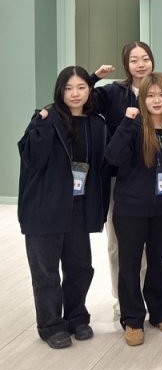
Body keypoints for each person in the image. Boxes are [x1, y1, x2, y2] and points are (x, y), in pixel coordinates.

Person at [17, 66, 111, 349]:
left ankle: (76, 316)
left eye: (81, 87)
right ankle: (50, 325)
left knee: (80, 267)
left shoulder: (96, 124)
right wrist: (41, 123)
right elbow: (31, 158)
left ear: (89, 90)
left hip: (78, 207)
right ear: (60, 91)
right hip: (44, 208)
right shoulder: (47, 119)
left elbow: (101, 167)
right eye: (68, 88)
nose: (75, 94)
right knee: (46, 271)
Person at [105, 72, 162, 346]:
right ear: (142, 99)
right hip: (131, 208)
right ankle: (132, 319)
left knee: (158, 261)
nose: (156, 100)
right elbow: (113, 157)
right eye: (151, 95)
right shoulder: (133, 126)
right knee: (130, 264)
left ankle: (160, 312)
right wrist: (126, 123)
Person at [91, 41, 156, 315]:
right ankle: (122, 297)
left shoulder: (161, 88)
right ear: (126, 64)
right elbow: (78, 97)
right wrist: (94, 77)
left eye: (145, 58)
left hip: (152, 177)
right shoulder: (113, 92)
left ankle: (143, 294)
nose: (140, 64)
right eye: (134, 60)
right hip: (119, 178)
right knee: (117, 244)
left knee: (149, 245)